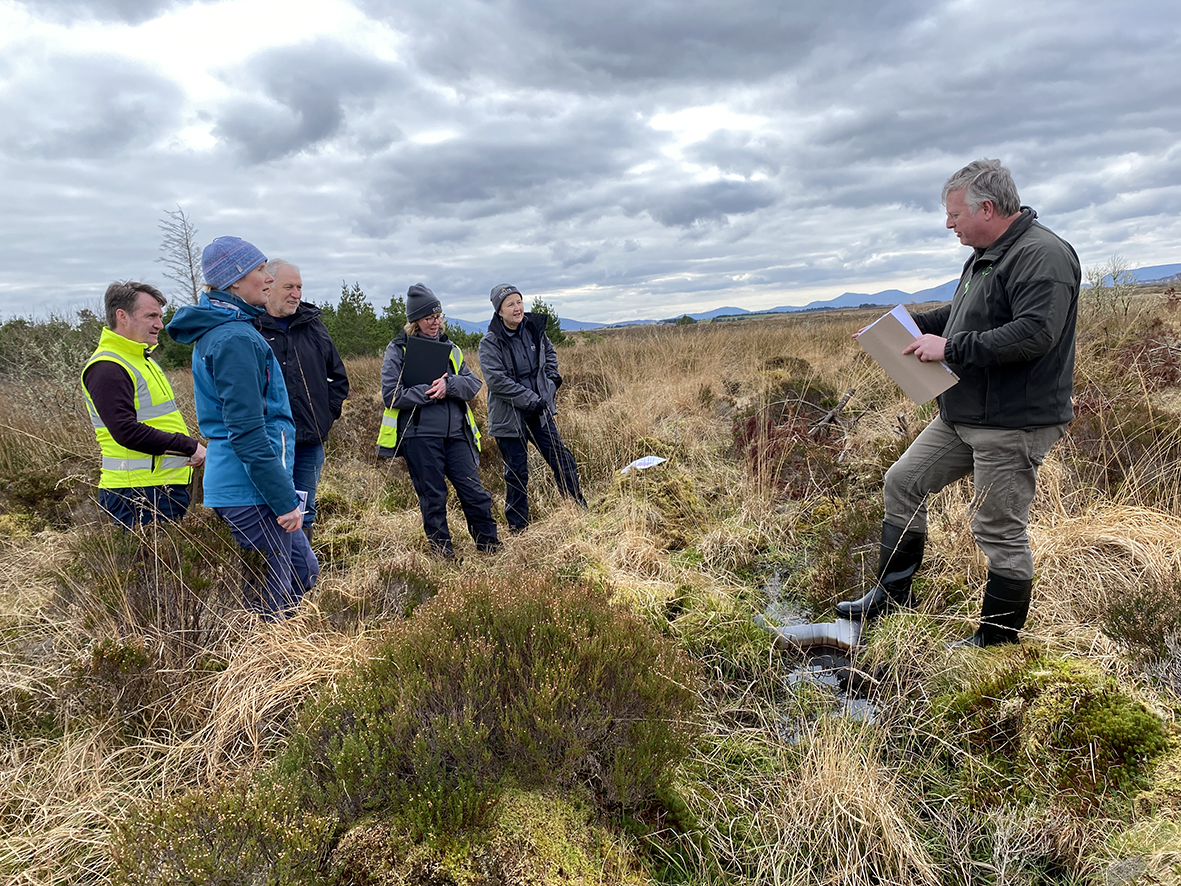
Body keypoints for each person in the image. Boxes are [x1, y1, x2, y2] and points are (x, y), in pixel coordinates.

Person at [835, 159, 1080, 647]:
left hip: (1012, 421)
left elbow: (1036, 333)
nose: (949, 224)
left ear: (986, 208)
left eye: (954, 215)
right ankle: (891, 599)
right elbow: (965, 313)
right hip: (964, 413)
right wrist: (912, 324)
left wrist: (950, 348)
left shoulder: (1042, 255)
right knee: (903, 481)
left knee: (997, 526)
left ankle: (995, 643)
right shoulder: (987, 254)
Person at [165, 237, 318, 620]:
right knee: (277, 595)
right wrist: (284, 500)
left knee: (303, 571)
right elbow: (247, 431)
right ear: (234, 281)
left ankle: (279, 654)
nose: (269, 278)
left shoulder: (232, 329)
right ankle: (267, 667)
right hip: (249, 487)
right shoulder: (234, 338)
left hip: (249, 482)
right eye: (260, 270)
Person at [376, 283, 500, 557]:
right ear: (414, 321)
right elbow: (391, 395)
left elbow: (472, 383)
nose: (435, 322)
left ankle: (490, 549)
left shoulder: (451, 348)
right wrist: (429, 392)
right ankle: (443, 557)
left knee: (475, 493)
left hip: (457, 435)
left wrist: (450, 385)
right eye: (428, 318)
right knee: (433, 499)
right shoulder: (398, 349)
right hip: (419, 437)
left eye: (438, 316)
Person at [81, 281, 206, 528]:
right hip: (137, 493)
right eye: (151, 316)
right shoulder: (108, 367)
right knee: (150, 567)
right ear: (122, 316)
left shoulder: (140, 359)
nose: (160, 324)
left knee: (169, 566)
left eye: (159, 316)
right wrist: (190, 446)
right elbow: (125, 431)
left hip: (160, 487)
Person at [478, 284, 586, 533]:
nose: (517, 308)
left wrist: (551, 383)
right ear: (499, 311)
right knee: (516, 474)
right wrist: (531, 399)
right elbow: (497, 382)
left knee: (562, 459)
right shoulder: (490, 343)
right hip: (509, 417)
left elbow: (550, 356)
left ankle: (577, 510)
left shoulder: (534, 329)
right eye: (510, 304)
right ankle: (519, 528)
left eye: (519, 302)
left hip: (539, 411)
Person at [256, 259, 349, 545]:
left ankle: (300, 577)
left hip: (309, 441)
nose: (296, 293)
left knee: (304, 512)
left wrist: (324, 417)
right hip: (267, 443)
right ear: (268, 287)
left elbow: (338, 379)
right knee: (268, 510)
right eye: (289, 287)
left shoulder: (314, 327)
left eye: (299, 287)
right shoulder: (251, 328)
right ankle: (271, 575)